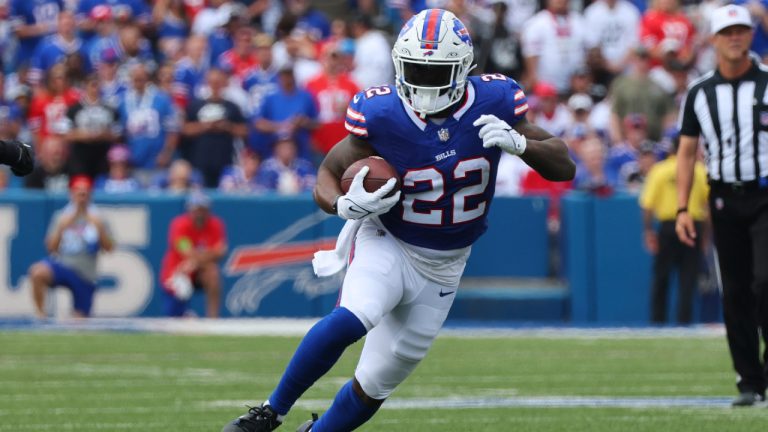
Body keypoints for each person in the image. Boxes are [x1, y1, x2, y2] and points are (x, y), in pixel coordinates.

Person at [221, 9, 575, 432]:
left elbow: (564, 167)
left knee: (375, 384)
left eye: (436, 72)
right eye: (415, 70)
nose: (424, 82)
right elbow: (327, 175)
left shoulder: (496, 101)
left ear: (463, 69)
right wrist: (342, 206)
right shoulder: (383, 112)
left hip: (446, 264)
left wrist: (520, 144)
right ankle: (270, 412)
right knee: (354, 316)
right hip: (389, 239)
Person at [676, 4, 768, 407]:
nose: (735, 37)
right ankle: (749, 380)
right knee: (735, 292)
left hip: (766, 193)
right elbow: (685, 153)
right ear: (713, 39)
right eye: (727, 31)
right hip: (724, 197)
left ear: (751, 35)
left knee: (766, 283)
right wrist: (682, 208)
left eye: (741, 30)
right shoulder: (699, 91)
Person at [641, 137, 708, 324]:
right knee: (688, 278)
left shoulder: (660, 170)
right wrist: (706, 237)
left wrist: (647, 231)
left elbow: (647, 205)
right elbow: (707, 206)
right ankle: (684, 322)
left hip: (668, 226)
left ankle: (657, 321)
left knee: (661, 277)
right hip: (693, 226)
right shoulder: (699, 171)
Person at [28, 175, 114, 318]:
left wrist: (99, 229)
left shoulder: (99, 217)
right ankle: (40, 314)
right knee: (38, 272)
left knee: (79, 320)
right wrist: (62, 227)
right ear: (71, 193)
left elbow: (110, 248)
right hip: (64, 264)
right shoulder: (62, 216)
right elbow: (51, 248)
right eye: (78, 192)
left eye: (85, 192)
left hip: (86, 273)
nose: (82, 197)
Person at [159, 192, 227, 318]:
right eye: (196, 210)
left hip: (196, 269)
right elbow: (186, 251)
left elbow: (221, 251)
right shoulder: (179, 225)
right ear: (190, 211)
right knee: (174, 313)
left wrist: (195, 262)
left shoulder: (215, 224)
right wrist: (205, 256)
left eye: (203, 210)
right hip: (177, 271)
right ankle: (184, 315)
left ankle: (213, 319)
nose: (200, 214)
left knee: (213, 273)